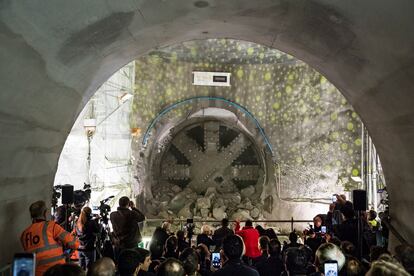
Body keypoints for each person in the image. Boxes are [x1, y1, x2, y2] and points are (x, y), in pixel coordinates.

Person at [20, 200, 80, 276]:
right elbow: (75, 243)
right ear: (45, 213)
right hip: (56, 272)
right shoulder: (51, 226)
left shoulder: (24, 234)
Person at [110, 196, 145, 261]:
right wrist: (133, 208)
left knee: (121, 262)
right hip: (132, 244)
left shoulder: (112, 215)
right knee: (132, 262)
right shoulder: (132, 213)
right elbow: (142, 217)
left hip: (119, 244)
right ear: (128, 204)